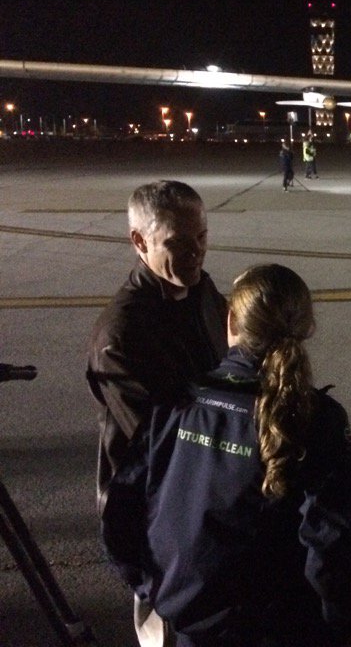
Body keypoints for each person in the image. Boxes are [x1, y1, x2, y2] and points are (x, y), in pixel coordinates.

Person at [104, 264, 351, 647]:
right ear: (306, 327)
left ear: (231, 319)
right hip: (280, 629)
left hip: (188, 626)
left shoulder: (178, 401)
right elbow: (331, 541)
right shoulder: (315, 418)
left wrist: (156, 589)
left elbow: (121, 511)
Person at [88, 180, 228, 646]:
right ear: (139, 241)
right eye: (176, 242)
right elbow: (157, 441)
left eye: (201, 238)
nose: (194, 254)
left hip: (207, 491)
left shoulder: (202, 292)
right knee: (168, 629)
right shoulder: (121, 334)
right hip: (157, 509)